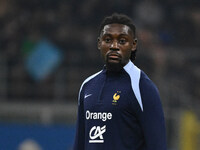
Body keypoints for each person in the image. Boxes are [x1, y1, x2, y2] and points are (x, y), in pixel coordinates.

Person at [73, 13, 167, 150]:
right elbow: (79, 144)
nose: (114, 46)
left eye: (122, 41)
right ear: (99, 43)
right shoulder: (87, 86)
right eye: (108, 40)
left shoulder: (141, 86)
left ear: (133, 45)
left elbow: (158, 145)